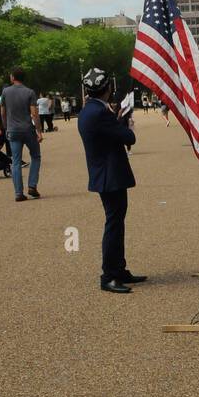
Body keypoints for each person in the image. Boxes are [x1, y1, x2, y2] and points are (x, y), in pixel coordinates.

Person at [78, 67, 146, 294]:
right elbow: (129, 138)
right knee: (114, 225)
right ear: (107, 88)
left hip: (104, 172)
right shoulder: (101, 113)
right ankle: (109, 274)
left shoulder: (89, 110)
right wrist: (122, 120)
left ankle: (119, 269)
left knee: (116, 222)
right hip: (110, 174)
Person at [1, 68, 42, 202]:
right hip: (27, 130)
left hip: (13, 130)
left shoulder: (5, 92)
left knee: (16, 162)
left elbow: (2, 112)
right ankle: (32, 185)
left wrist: (6, 127)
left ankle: (19, 193)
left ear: (13, 77)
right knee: (35, 156)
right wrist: (39, 131)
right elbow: (34, 114)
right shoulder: (30, 92)